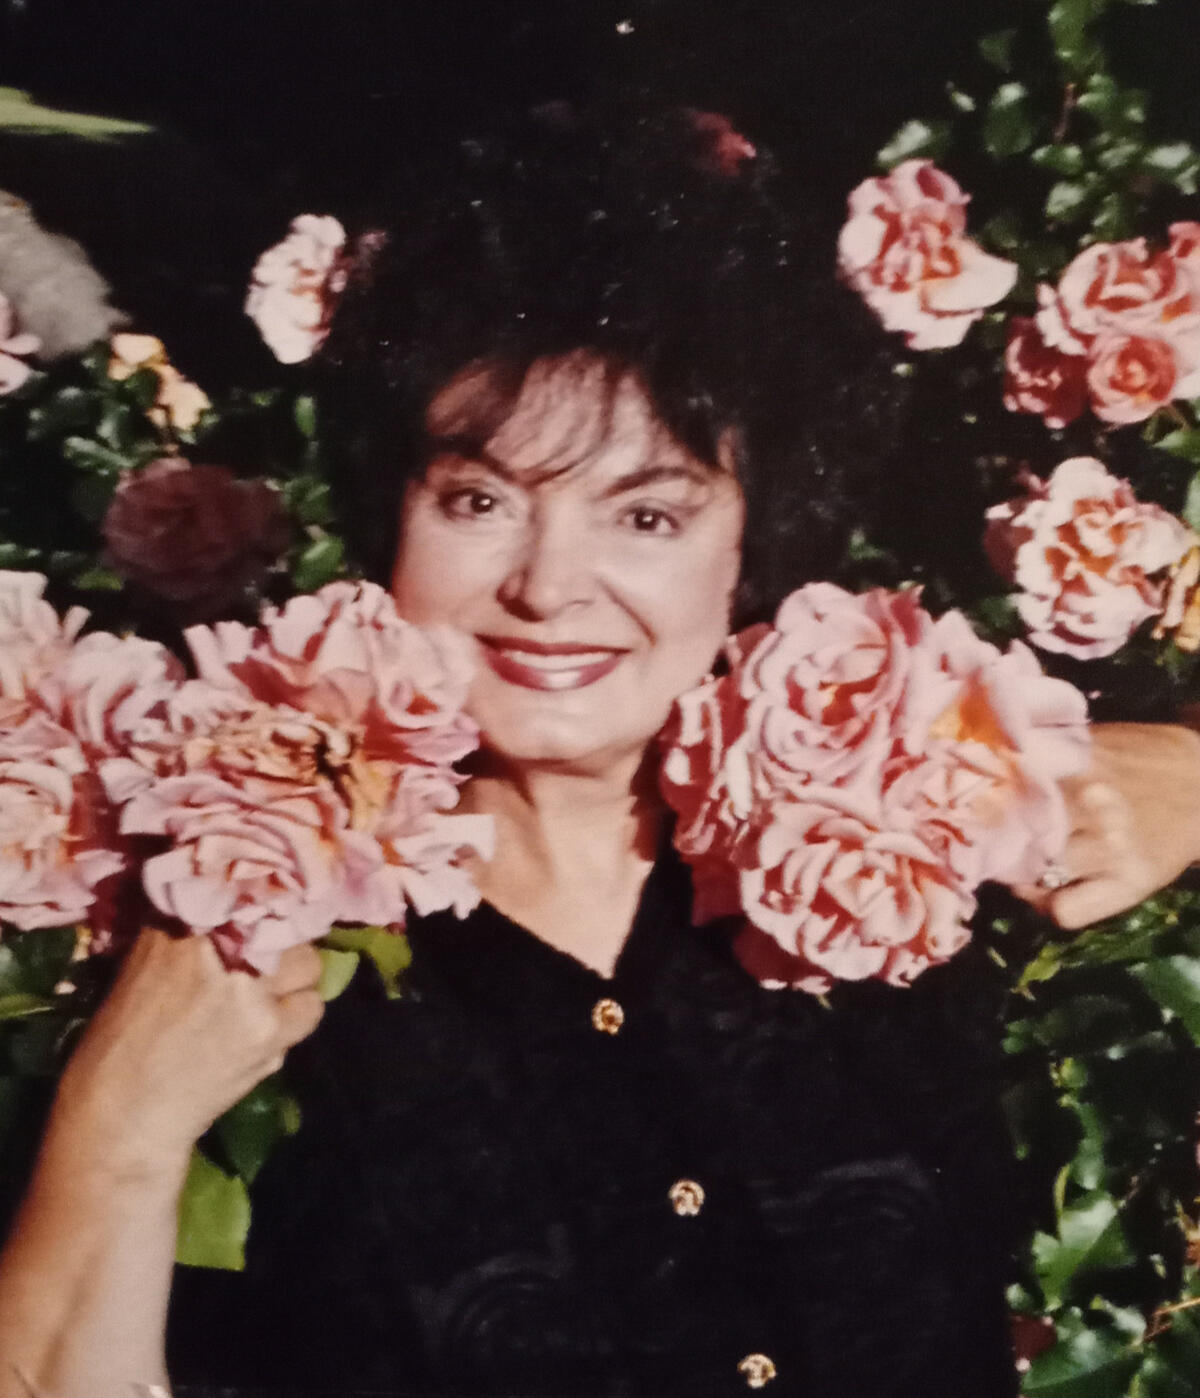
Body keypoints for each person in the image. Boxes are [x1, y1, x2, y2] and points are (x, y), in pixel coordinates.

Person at [2, 105, 1200, 1398]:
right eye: (480, 499)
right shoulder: (228, 944)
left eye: (647, 509)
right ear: (386, 511)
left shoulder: (917, 870)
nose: (550, 584)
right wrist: (118, 1125)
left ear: (753, 542)